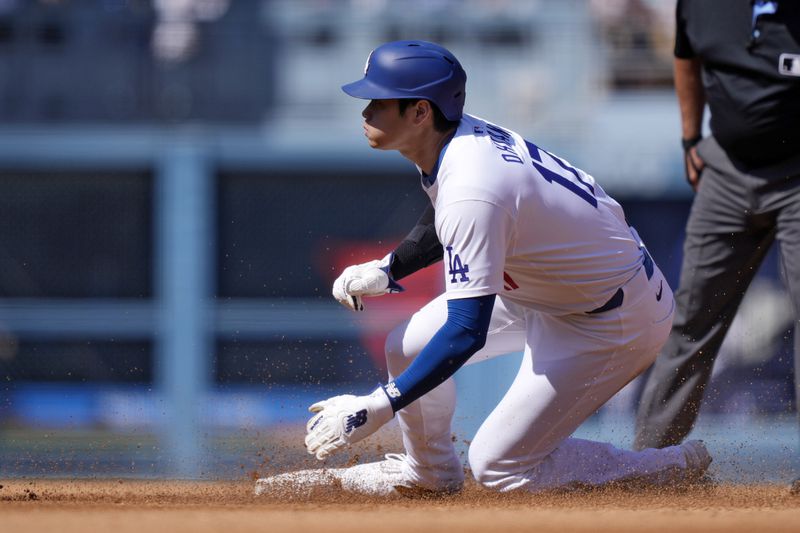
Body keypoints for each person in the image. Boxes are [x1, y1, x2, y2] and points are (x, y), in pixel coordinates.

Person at [256, 40, 711, 497]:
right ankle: (430, 474)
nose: (367, 110)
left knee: (499, 466)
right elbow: (447, 214)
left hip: (610, 318)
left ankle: (664, 469)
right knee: (406, 346)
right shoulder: (456, 141)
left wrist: (379, 406)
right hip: (548, 289)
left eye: (380, 101)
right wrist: (391, 268)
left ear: (420, 113)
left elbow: (465, 330)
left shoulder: (473, 182)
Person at [633, 0, 800, 468]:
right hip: (727, 170)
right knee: (691, 319)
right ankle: (651, 463)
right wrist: (690, 137)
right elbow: (688, 58)